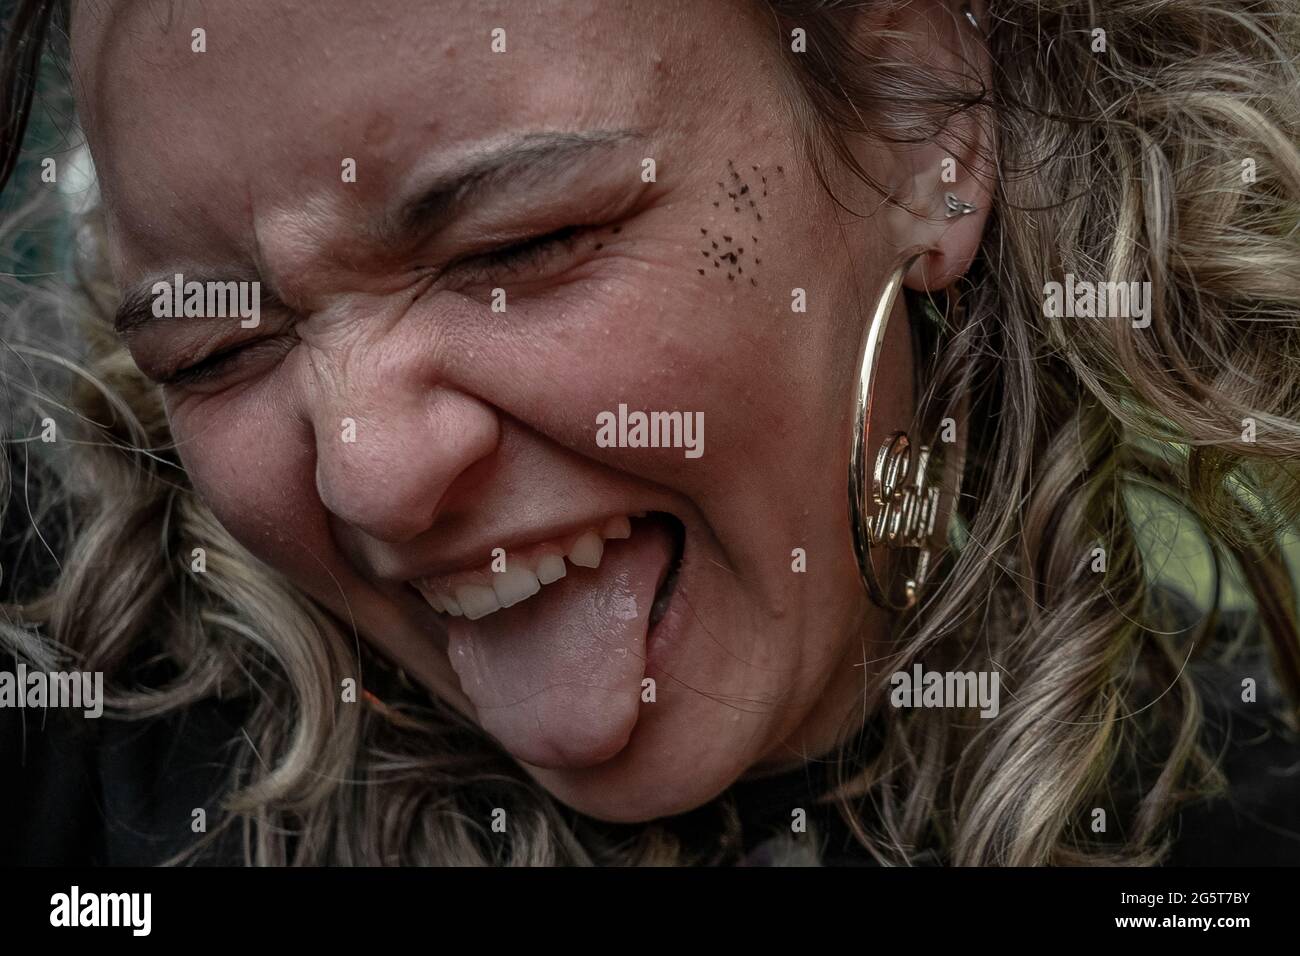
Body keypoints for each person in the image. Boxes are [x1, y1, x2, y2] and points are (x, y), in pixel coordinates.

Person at [1, 0, 1298, 866]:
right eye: (217, 352)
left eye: (524, 244)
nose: (370, 475)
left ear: (919, 123)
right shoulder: (92, 744)